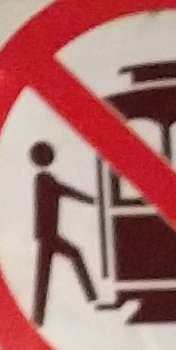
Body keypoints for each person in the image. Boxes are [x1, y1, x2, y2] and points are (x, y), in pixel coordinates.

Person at [27, 139, 109, 325]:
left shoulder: (44, 179)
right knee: (67, 259)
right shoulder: (45, 180)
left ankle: (39, 316)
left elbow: (65, 191)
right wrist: (93, 200)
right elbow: (67, 191)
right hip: (48, 235)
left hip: (46, 235)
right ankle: (92, 298)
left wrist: (92, 200)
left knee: (47, 273)